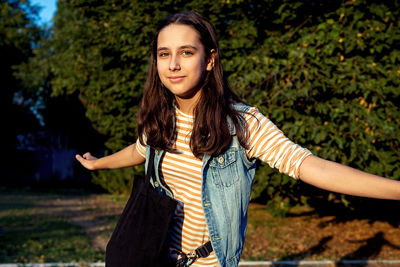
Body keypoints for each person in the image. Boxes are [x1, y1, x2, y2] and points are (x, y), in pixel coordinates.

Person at [75, 11, 400, 267]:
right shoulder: (162, 118)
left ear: (210, 59)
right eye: (164, 54)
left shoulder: (241, 122)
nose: (173, 64)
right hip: (152, 255)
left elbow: (310, 166)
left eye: (186, 52)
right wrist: (99, 164)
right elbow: (140, 150)